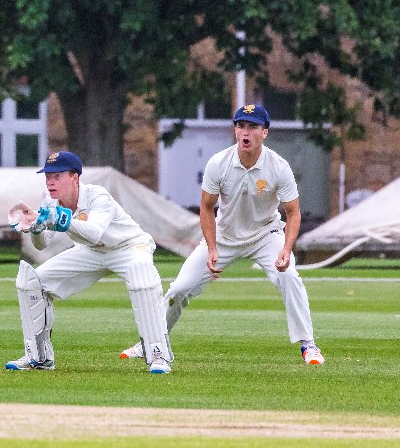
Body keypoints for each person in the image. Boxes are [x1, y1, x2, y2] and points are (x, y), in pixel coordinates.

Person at [120, 104, 324, 365]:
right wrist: (213, 248)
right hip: (224, 236)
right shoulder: (219, 163)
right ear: (235, 130)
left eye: (253, 127)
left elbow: (293, 213)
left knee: (290, 277)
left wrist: (285, 249)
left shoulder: (279, 167)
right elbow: (206, 208)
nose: (245, 132)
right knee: (180, 288)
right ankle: (151, 343)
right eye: (241, 126)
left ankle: (308, 345)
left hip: (266, 234)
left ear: (265, 133)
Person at [6, 151, 174, 374]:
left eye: (57, 176)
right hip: (90, 252)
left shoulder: (98, 196)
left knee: (141, 277)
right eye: (47, 176)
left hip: (129, 247)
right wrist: (36, 227)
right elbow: (42, 244)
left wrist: (58, 220)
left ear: (75, 177)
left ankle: (158, 355)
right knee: (32, 282)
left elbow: (94, 232)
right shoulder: (50, 200)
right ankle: (38, 357)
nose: (50, 182)